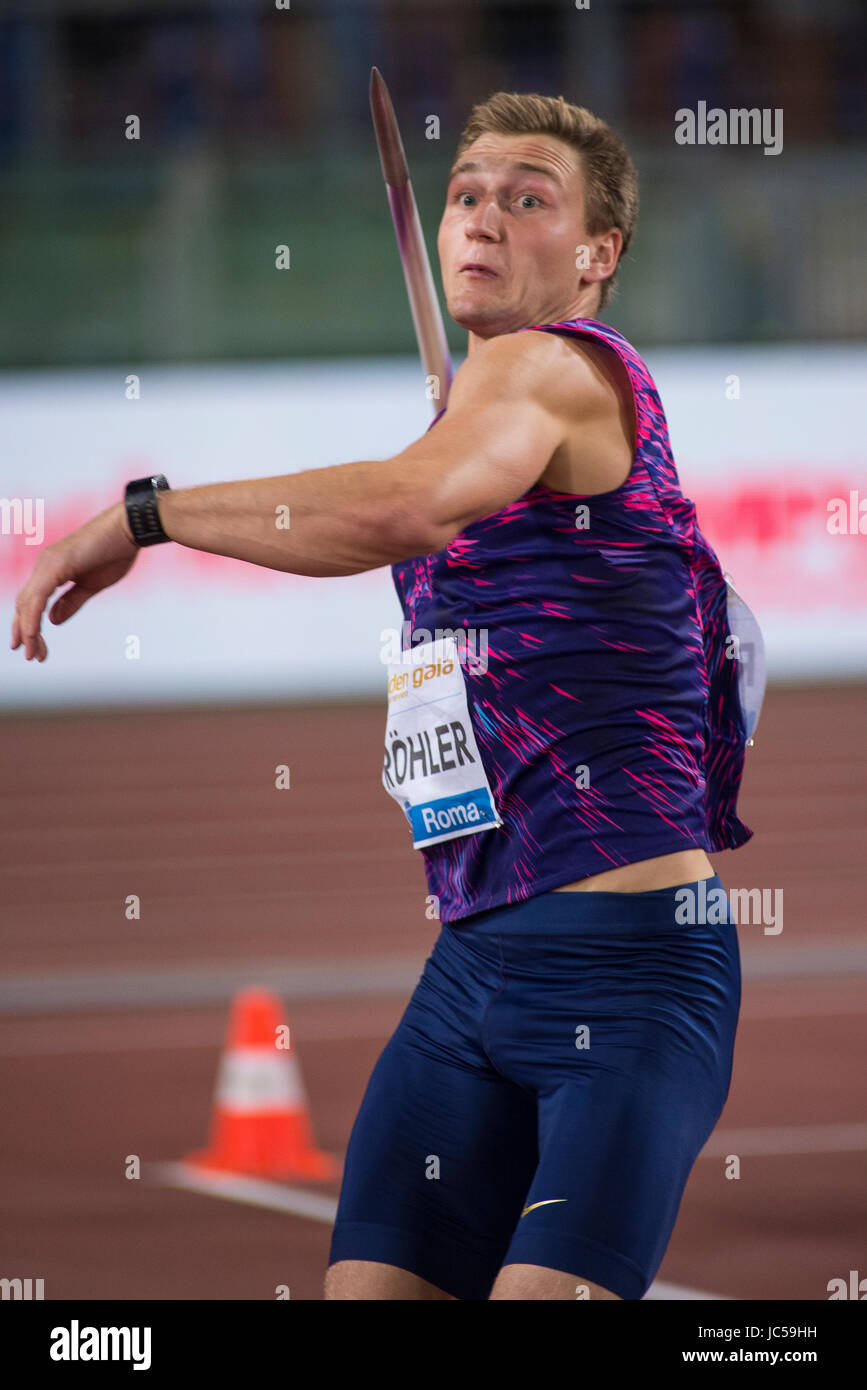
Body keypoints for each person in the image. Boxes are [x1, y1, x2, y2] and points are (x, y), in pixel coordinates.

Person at [11, 92, 753, 1302]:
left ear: (597, 256)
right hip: (473, 966)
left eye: (528, 200)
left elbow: (393, 511)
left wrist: (144, 514)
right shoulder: (483, 411)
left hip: (626, 970)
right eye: (466, 194)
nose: (482, 219)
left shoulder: (554, 371)